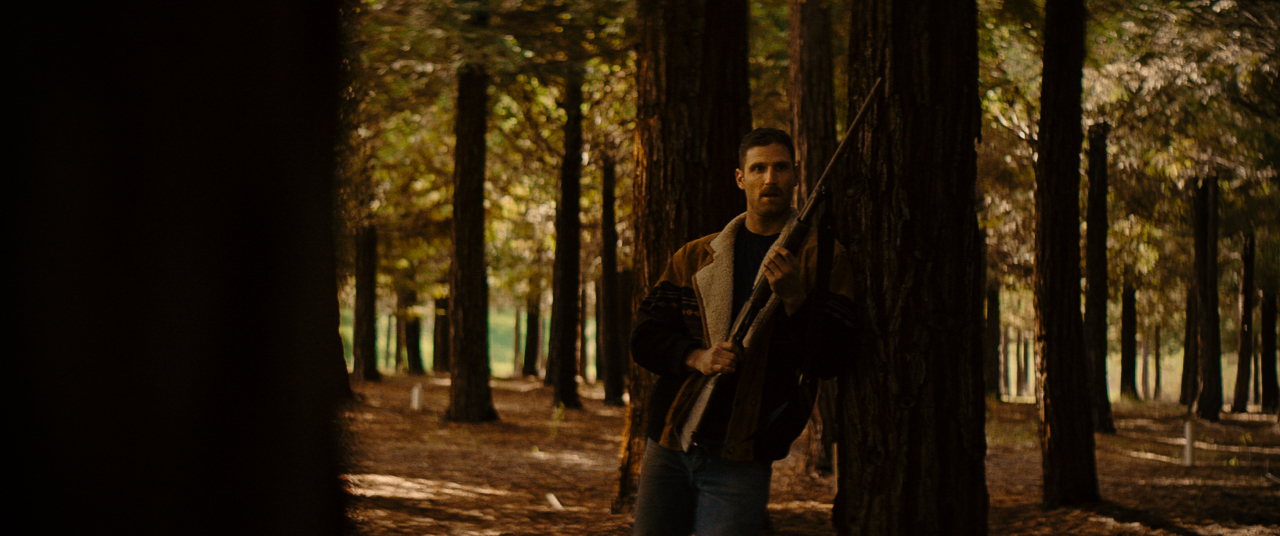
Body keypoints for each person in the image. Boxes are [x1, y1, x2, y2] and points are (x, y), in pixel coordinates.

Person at [629, 128, 860, 536]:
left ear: (795, 175)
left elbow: (833, 357)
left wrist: (795, 298)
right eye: (758, 169)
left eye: (780, 168)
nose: (770, 179)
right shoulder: (696, 256)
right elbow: (644, 336)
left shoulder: (822, 259)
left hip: (743, 452)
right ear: (741, 178)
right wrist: (697, 357)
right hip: (670, 440)